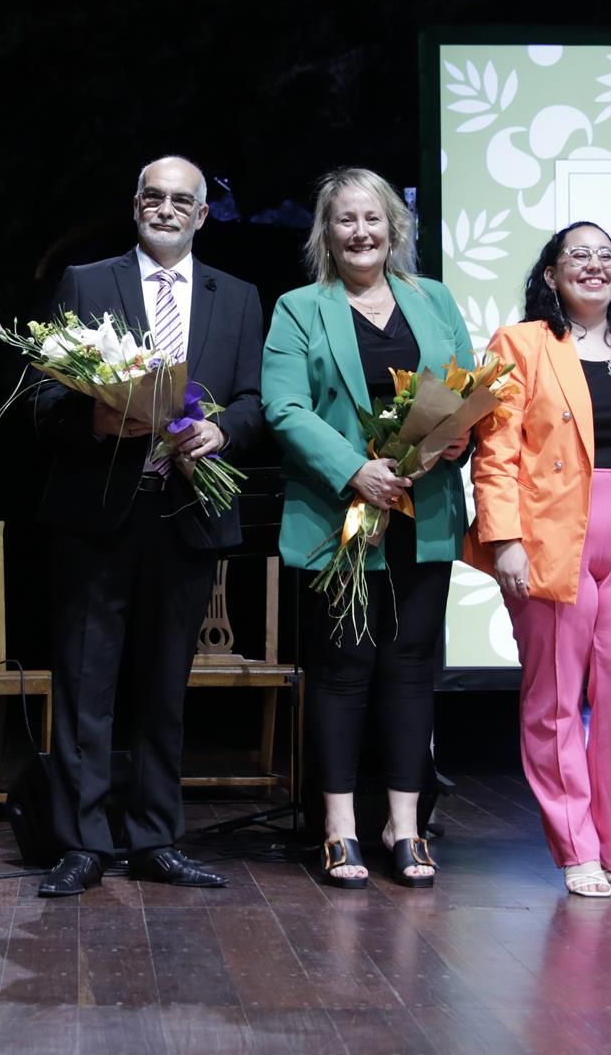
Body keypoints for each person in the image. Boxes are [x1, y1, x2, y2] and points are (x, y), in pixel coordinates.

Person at [32, 155, 264, 899]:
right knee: (86, 686)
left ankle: (157, 837)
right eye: (152, 197)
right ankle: (82, 842)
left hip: (188, 509)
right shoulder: (88, 281)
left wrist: (223, 434)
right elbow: (40, 399)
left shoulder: (239, 296)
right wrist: (95, 417)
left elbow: (257, 399)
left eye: (181, 201)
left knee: (164, 687)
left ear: (202, 215)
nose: (164, 208)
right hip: (99, 510)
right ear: (135, 204)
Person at [263, 167, 472, 890]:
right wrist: (358, 471)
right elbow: (285, 410)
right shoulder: (299, 308)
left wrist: (454, 441)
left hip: (425, 509)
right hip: (340, 514)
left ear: (395, 228)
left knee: (413, 667)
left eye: (373, 219)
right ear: (327, 232)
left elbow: (467, 391)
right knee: (343, 671)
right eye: (346, 220)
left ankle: (405, 825)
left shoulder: (434, 299)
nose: (361, 232)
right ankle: (340, 827)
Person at [464, 222, 611, 897]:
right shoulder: (519, 343)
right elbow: (494, 451)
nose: (594, 264)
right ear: (550, 273)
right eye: (577, 254)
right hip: (549, 535)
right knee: (554, 695)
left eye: (606, 254)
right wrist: (505, 539)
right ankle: (576, 846)